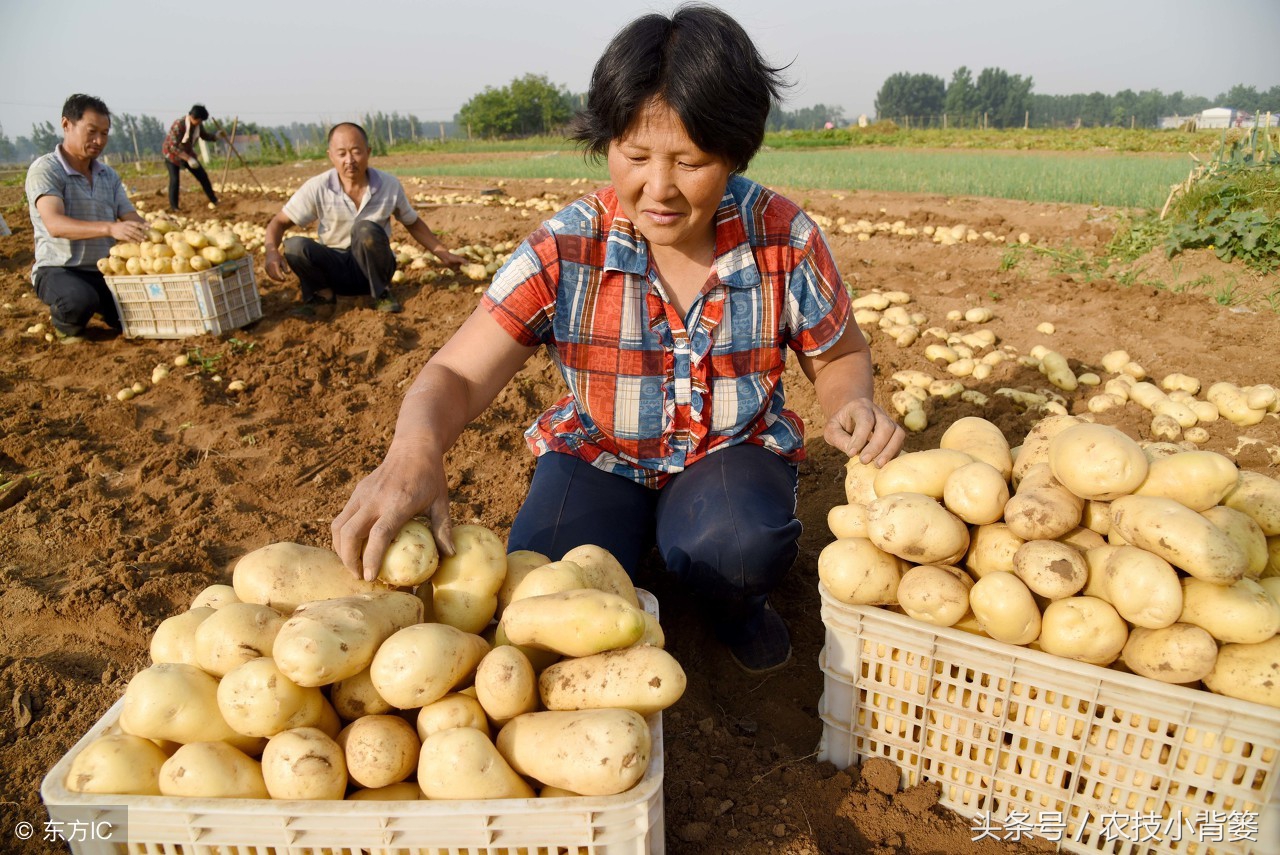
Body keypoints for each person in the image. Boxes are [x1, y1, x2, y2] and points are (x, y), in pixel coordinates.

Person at [331, 4, 905, 674]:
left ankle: (735, 604)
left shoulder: (781, 233)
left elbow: (838, 353)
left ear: (733, 154)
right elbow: (456, 374)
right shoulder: (568, 244)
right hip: (599, 454)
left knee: (735, 544)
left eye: (689, 161)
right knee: (543, 584)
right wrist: (414, 450)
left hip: (728, 453)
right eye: (635, 156)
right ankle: (647, 541)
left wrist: (850, 403)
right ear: (607, 143)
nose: (657, 188)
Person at [263, 122, 466, 317]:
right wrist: (272, 252)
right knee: (294, 246)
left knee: (365, 229)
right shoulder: (317, 187)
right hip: (334, 269)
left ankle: (381, 293)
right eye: (341, 153)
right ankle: (323, 295)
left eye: (356, 151)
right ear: (331, 156)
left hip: (374, 268)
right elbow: (278, 222)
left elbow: (412, 223)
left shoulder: (388, 185)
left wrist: (442, 253)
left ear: (368, 152)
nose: (349, 160)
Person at [26, 93, 150, 343]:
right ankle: (65, 324)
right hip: (59, 269)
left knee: (142, 312)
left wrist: (155, 232)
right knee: (78, 301)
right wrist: (110, 229)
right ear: (66, 125)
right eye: (92, 131)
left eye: (104, 133)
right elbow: (55, 225)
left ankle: (103, 307)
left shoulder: (108, 175)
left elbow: (129, 216)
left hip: (104, 269)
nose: (99, 140)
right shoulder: (47, 169)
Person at [162, 104, 225, 212]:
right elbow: (173, 146)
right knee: (175, 180)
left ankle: (214, 200)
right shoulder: (179, 125)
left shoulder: (198, 125)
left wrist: (215, 136)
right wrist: (188, 159)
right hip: (172, 155)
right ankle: (174, 207)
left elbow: (204, 135)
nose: (201, 123)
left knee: (202, 176)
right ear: (194, 117)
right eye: (200, 120)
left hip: (187, 152)